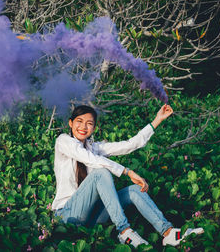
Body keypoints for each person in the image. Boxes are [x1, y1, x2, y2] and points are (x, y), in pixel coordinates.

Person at [52, 104, 203, 248]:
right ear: (71, 123)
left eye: (89, 123)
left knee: (135, 190)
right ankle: (124, 231)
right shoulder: (63, 141)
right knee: (101, 173)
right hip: (66, 216)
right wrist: (127, 171)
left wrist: (157, 120)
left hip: (92, 218)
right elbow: (88, 158)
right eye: (79, 121)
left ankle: (168, 232)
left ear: (94, 128)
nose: (84, 127)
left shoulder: (94, 148)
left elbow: (130, 144)